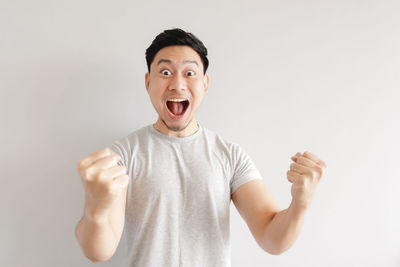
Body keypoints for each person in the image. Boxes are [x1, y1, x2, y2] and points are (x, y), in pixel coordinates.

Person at [75, 28, 327, 267]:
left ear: (205, 84)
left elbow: (272, 239)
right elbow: (99, 251)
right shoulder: (123, 155)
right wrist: (95, 208)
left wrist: (300, 203)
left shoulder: (230, 155)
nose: (177, 84)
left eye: (189, 73)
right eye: (165, 72)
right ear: (147, 82)